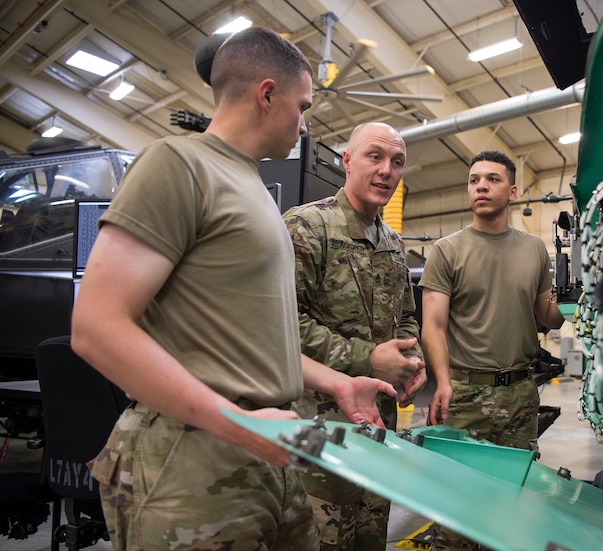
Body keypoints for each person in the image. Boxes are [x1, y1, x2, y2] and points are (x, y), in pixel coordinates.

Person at [71, 27, 395, 551]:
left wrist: (335, 381)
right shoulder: (178, 165)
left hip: (268, 447)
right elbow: (95, 327)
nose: (305, 123)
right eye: (302, 106)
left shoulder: (254, 189)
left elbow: (249, 339)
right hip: (194, 458)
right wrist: (234, 421)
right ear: (267, 95)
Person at [282, 122, 426, 551]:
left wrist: (411, 360)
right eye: (374, 157)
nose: (386, 171)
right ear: (347, 161)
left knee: (369, 535)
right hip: (321, 429)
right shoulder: (307, 227)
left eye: (396, 163)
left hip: (378, 426)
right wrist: (368, 358)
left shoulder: (394, 244)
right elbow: (284, 324)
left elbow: (406, 317)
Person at [418, 150, 565, 550]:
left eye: (492, 179)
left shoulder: (534, 250)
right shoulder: (447, 251)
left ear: (513, 191)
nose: (481, 186)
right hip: (466, 395)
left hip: (520, 393)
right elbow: (432, 325)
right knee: (457, 512)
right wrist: (443, 383)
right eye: (474, 180)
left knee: (512, 505)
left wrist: (572, 299)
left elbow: (548, 317)